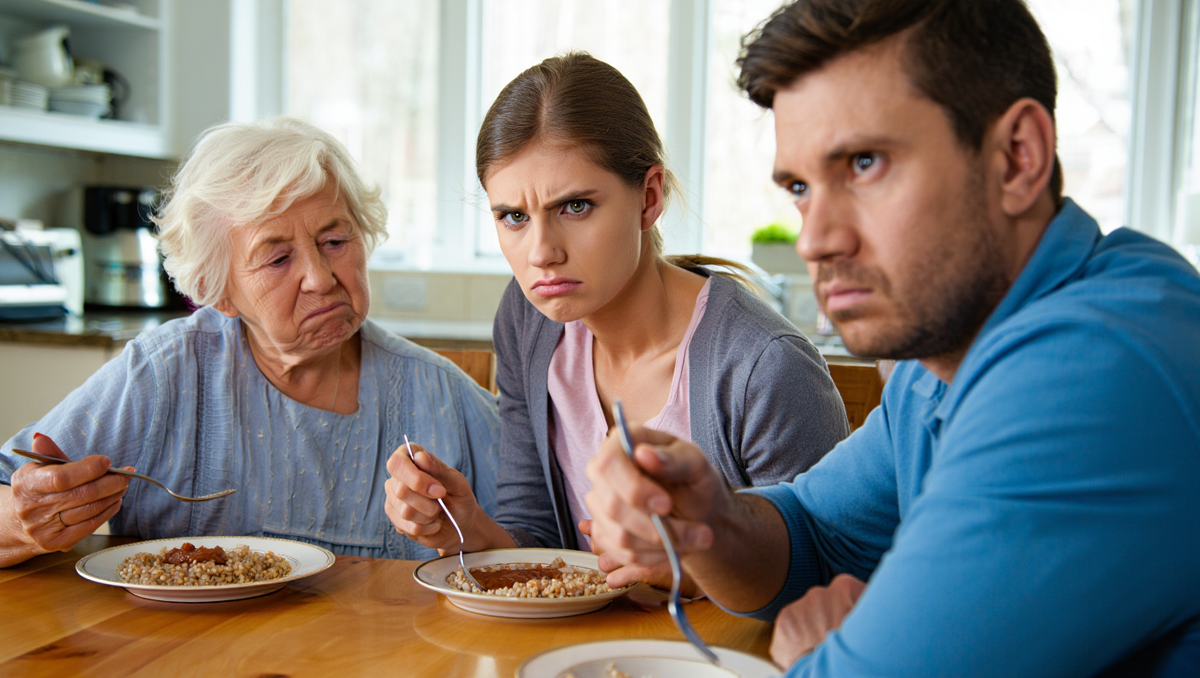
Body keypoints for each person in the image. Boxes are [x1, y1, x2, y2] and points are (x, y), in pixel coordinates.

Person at [583, 1, 1200, 676]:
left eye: (865, 163)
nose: (815, 239)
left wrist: (815, 657)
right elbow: (818, 535)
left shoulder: (1095, 371)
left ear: (1017, 158)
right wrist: (710, 522)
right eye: (800, 186)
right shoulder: (938, 356)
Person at [384, 53, 849, 590]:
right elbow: (539, 537)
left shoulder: (764, 367)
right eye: (513, 217)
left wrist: (691, 569)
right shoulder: (527, 321)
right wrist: (468, 529)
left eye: (575, 207)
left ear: (649, 198)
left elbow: (829, 581)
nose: (541, 253)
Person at [0, 118, 500, 567]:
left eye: (334, 242)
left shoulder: (440, 395)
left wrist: (472, 532)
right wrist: (26, 521)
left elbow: (535, 545)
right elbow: (13, 490)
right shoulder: (161, 374)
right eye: (277, 259)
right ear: (219, 292)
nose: (320, 278)